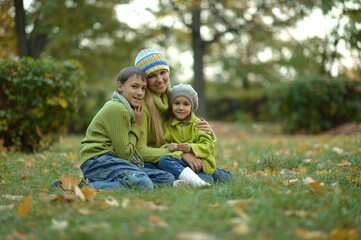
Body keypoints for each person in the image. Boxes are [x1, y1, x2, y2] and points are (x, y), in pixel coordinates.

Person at [134, 48, 232, 184]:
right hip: (157, 158)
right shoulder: (143, 106)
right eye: (152, 76)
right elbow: (143, 150)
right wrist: (182, 154)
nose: (160, 79)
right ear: (144, 80)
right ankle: (192, 178)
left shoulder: (170, 99)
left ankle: (205, 174)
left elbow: (189, 124)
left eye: (163, 72)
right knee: (170, 167)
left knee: (219, 176)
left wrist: (208, 131)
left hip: (176, 157)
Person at [78, 67, 175, 191]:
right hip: (98, 162)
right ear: (120, 86)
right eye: (135, 87)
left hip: (112, 161)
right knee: (143, 184)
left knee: (166, 178)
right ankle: (81, 187)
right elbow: (124, 154)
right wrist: (136, 126)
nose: (140, 92)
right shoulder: (118, 108)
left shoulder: (128, 109)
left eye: (143, 88)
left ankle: (112, 182)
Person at [157, 83, 216, 187]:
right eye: (177, 103)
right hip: (179, 163)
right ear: (171, 105)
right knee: (163, 161)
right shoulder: (167, 125)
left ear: (192, 107)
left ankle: (189, 180)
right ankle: (193, 181)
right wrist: (168, 146)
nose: (181, 108)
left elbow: (208, 146)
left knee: (210, 178)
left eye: (186, 104)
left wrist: (191, 148)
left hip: (199, 165)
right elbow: (161, 145)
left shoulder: (198, 124)